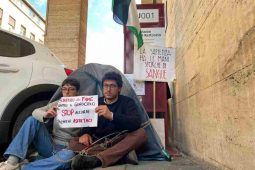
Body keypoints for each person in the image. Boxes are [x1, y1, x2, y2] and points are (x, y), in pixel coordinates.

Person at [0, 78, 84, 170]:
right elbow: (35, 112)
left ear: (77, 92)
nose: (67, 92)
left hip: (68, 148)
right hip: (50, 145)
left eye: (71, 89)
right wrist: (46, 114)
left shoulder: (85, 106)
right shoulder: (58, 103)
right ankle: (12, 162)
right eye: (64, 89)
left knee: (69, 156)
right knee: (32, 120)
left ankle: (23, 168)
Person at [71, 71, 148, 169]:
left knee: (141, 134)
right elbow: (88, 122)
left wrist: (111, 115)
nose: (108, 89)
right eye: (106, 86)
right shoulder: (95, 102)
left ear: (119, 89)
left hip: (119, 141)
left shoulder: (127, 102)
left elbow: (136, 122)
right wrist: (85, 133)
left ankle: (98, 160)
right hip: (99, 142)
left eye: (112, 86)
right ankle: (120, 156)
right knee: (73, 142)